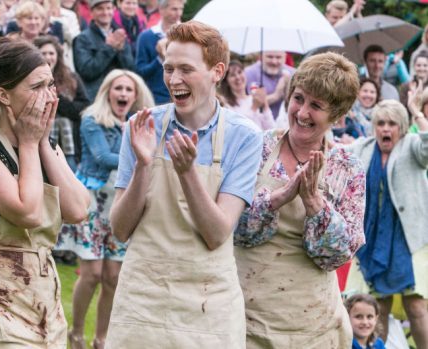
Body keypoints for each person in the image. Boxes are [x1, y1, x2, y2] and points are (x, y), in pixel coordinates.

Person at [106, 21, 263, 348]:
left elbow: (217, 233)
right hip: (143, 298)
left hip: (207, 304)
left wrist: (187, 172)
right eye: (169, 68)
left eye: (186, 70)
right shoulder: (141, 126)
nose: (174, 80)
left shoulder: (244, 137)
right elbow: (120, 229)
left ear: (217, 71)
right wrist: (143, 166)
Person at [0, 37, 89, 347]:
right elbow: (27, 212)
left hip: (41, 295)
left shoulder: (45, 147)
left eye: (51, 85)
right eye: (36, 87)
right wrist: (29, 143)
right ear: (3, 95)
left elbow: (78, 210)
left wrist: (41, 142)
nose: (49, 97)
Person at [234, 52, 365, 347]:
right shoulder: (257, 148)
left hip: (312, 325)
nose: (302, 112)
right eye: (298, 98)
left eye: (316, 106)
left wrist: (314, 204)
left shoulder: (347, 167)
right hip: (245, 318)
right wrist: (278, 198)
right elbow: (232, 231)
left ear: (337, 115)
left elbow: (337, 256)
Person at [64, 69, 153, 349]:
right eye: (118, 89)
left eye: (129, 90)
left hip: (120, 203)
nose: (123, 94)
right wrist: (136, 149)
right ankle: (76, 332)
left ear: (136, 95)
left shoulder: (140, 124)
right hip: (92, 201)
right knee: (91, 274)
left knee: (114, 277)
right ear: (107, 92)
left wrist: (138, 143)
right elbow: (102, 157)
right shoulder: (92, 119)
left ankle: (102, 339)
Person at [344, 96, 428, 347]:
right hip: (374, 239)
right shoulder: (365, 147)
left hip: (410, 239)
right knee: (378, 305)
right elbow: (335, 153)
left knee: (416, 305)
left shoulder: (411, 144)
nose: (385, 129)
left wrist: (418, 115)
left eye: (392, 124)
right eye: (380, 123)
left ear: (401, 128)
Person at [34, 35, 90, 168]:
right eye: (43, 53)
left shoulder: (71, 78)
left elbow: (84, 107)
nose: (48, 57)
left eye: (51, 53)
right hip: (39, 138)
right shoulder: (30, 79)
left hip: (68, 140)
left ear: (58, 56)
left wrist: (56, 98)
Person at [73, 0, 135, 100]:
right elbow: (87, 71)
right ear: (91, 12)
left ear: (114, 10)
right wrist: (110, 48)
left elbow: (130, 68)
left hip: (120, 96)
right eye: (100, 9)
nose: (105, 12)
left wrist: (120, 50)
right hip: (96, 97)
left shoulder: (120, 35)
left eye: (108, 8)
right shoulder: (82, 38)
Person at [135, 0, 184, 105]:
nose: (179, 13)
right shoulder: (146, 36)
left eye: (181, 9)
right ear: (161, 10)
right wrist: (160, 59)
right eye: (174, 9)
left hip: (182, 97)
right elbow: (140, 73)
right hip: (153, 100)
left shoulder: (187, 36)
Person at [219, 60, 275, 131]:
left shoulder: (254, 99)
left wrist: (265, 105)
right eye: (232, 75)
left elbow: (271, 129)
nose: (238, 77)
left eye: (240, 72)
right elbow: (240, 130)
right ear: (226, 81)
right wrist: (254, 108)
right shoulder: (226, 106)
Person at [244, 50, 295, 119]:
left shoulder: (293, 73)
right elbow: (249, 104)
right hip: (257, 122)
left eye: (278, 57)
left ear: (285, 58)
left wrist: (287, 88)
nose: (274, 62)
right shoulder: (249, 73)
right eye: (270, 57)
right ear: (261, 57)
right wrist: (276, 95)